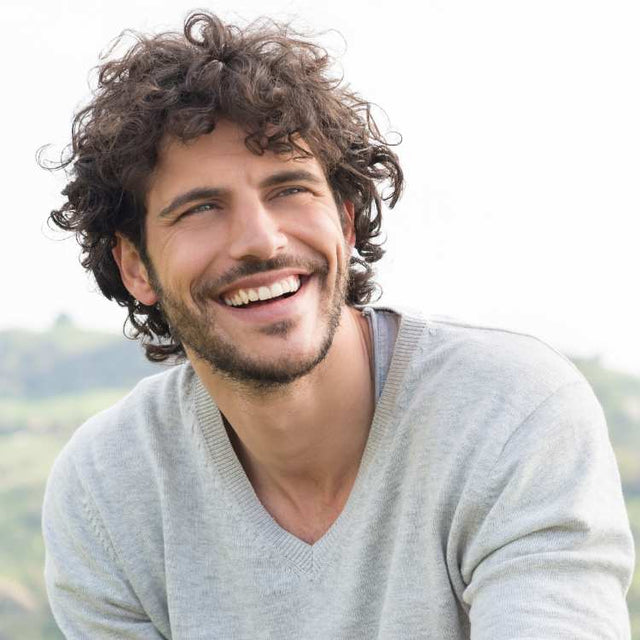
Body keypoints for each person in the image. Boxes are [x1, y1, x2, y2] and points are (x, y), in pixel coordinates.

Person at [41, 11, 634, 640]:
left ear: (345, 222)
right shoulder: (107, 491)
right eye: (202, 208)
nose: (261, 241)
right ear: (136, 266)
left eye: (289, 190)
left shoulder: (509, 411)